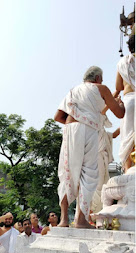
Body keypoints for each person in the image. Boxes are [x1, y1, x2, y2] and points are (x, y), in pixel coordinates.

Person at [54, 66, 125, 228]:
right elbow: (119, 113)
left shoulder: (73, 91)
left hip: (70, 129)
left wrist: (79, 119)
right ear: (98, 78)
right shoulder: (101, 88)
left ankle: (64, 220)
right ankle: (80, 219)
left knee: (67, 173)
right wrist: (122, 104)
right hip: (89, 131)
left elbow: (58, 117)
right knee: (89, 174)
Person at [113, 34, 135, 172]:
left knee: (127, 137)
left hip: (129, 101)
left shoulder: (123, 63)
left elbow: (118, 87)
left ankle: (128, 171)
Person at [90, 114, 119, 213]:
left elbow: (114, 135)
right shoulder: (92, 129)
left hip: (104, 159)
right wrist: (113, 98)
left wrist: (126, 122)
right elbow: (100, 111)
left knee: (104, 183)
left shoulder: (104, 133)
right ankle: (92, 209)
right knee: (98, 183)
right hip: (95, 158)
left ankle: (99, 209)